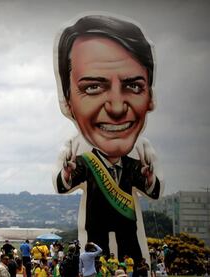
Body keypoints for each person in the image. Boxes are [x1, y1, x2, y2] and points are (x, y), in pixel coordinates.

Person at [53, 14, 162, 266]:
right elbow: (62, 185)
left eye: (133, 86)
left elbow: (152, 189)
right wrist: (67, 174)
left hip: (128, 227)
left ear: (150, 97)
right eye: (92, 87)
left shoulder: (136, 164)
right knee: (96, 262)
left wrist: (149, 179)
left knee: (132, 258)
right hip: (96, 228)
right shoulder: (84, 161)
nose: (115, 108)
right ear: (67, 101)